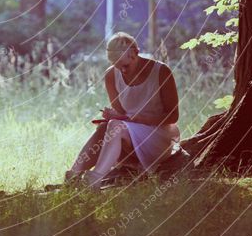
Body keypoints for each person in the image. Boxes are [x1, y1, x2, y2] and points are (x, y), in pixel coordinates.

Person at [65, 32, 181, 189]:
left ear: (135, 53)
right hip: (129, 134)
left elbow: (173, 116)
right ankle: (73, 176)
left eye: (125, 66)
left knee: (115, 126)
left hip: (158, 135)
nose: (123, 71)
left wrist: (130, 119)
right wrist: (113, 116)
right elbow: (122, 114)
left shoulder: (161, 72)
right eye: (118, 67)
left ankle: (94, 179)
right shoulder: (111, 75)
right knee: (107, 126)